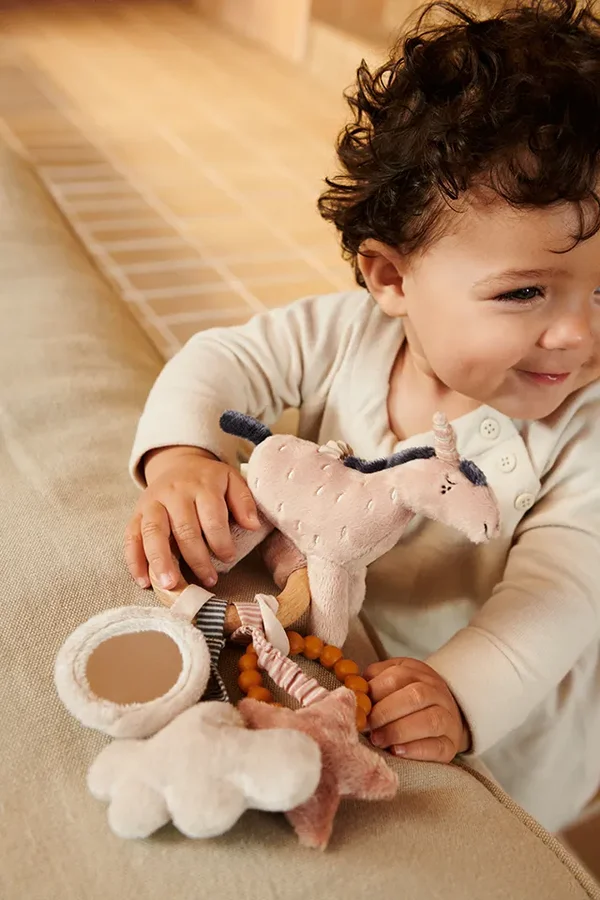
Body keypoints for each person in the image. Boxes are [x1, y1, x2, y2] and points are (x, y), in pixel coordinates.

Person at [125, 0, 600, 831]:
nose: (578, 335)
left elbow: (562, 593)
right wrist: (181, 458)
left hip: (501, 698)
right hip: (331, 625)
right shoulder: (342, 335)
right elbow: (219, 360)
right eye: (525, 291)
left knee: (515, 820)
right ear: (392, 279)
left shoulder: (582, 432)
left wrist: (461, 690)